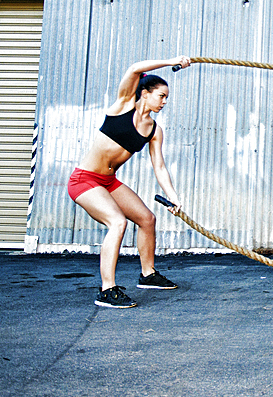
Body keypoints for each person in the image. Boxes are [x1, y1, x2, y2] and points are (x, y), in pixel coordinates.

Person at [67, 56, 191, 308]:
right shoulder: (123, 106)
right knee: (118, 222)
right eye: (161, 96)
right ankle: (107, 290)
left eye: (167, 98)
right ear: (145, 94)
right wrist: (171, 61)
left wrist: (174, 196)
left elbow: (160, 167)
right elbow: (134, 68)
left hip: (108, 182)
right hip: (84, 180)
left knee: (147, 219)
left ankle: (148, 274)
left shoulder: (154, 130)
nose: (165, 102)